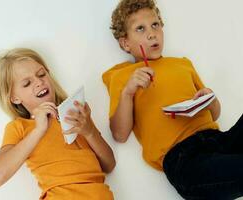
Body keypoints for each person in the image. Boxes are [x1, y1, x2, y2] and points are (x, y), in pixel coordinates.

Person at [102, 0, 243, 199]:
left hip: (218, 141)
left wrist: (210, 98)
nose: (152, 33)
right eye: (140, 29)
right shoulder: (123, 77)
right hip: (185, 160)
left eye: (155, 25)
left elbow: (214, 114)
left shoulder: (182, 65)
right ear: (125, 43)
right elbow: (119, 134)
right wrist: (128, 92)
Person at [0, 48, 115, 200]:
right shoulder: (20, 127)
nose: (39, 82)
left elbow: (109, 165)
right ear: (14, 98)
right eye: (27, 83)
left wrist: (90, 132)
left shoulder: (76, 113)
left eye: (42, 74)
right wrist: (38, 129)